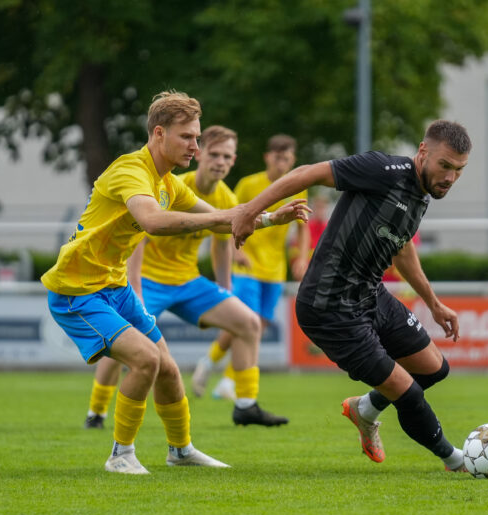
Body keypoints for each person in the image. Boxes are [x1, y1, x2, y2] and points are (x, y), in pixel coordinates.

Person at [42, 91, 308, 475]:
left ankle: (180, 450)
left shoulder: (168, 183)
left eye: (198, 138)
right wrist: (222, 222)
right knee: (146, 360)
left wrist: (268, 219)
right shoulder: (130, 171)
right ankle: (120, 454)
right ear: (159, 133)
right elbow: (152, 221)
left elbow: (219, 217)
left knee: (167, 367)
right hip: (76, 293)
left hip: (114, 289)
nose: (196, 147)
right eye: (188, 137)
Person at [231, 120, 471, 472]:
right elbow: (307, 173)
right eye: (445, 166)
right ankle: (458, 461)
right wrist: (249, 211)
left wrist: (434, 303)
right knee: (408, 393)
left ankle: (365, 410)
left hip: (370, 295)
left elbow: (401, 248)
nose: (450, 177)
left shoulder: (423, 192)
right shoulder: (383, 170)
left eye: (459, 170)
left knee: (434, 368)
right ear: (423, 152)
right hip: (328, 306)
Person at [82, 125, 289, 429]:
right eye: (215, 154)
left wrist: (226, 290)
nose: (220, 161)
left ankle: (245, 405)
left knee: (248, 322)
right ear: (200, 153)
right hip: (149, 281)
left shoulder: (226, 197)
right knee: (122, 343)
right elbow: (137, 240)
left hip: (188, 282)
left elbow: (221, 247)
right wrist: (135, 288)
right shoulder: (174, 186)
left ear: (233, 162)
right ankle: (96, 412)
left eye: (227, 157)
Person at [192, 134, 310, 402]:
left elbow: (302, 230)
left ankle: (226, 380)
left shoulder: (299, 188)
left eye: (288, 158)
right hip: (247, 267)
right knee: (246, 323)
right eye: (278, 157)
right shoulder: (248, 184)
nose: (282, 163)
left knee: (259, 325)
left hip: (275, 269)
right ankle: (209, 366)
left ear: (293, 160)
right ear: (268, 157)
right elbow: (232, 218)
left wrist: (301, 257)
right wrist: (237, 251)